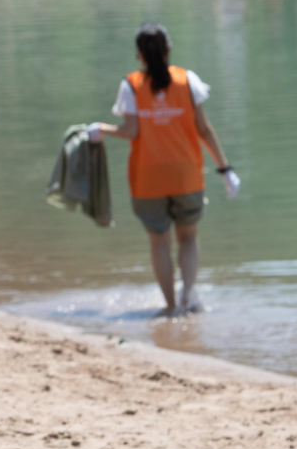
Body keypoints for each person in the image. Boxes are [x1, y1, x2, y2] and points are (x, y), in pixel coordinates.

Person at [86, 24, 237, 316]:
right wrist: (225, 169)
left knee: (159, 242)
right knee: (188, 237)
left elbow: (131, 131)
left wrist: (101, 129)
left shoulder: (131, 85)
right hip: (186, 176)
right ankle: (189, 295)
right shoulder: (187, 81)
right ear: (168, 50)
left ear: (139, 55)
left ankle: (169, 307)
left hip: (148, 179)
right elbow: (203, 130)